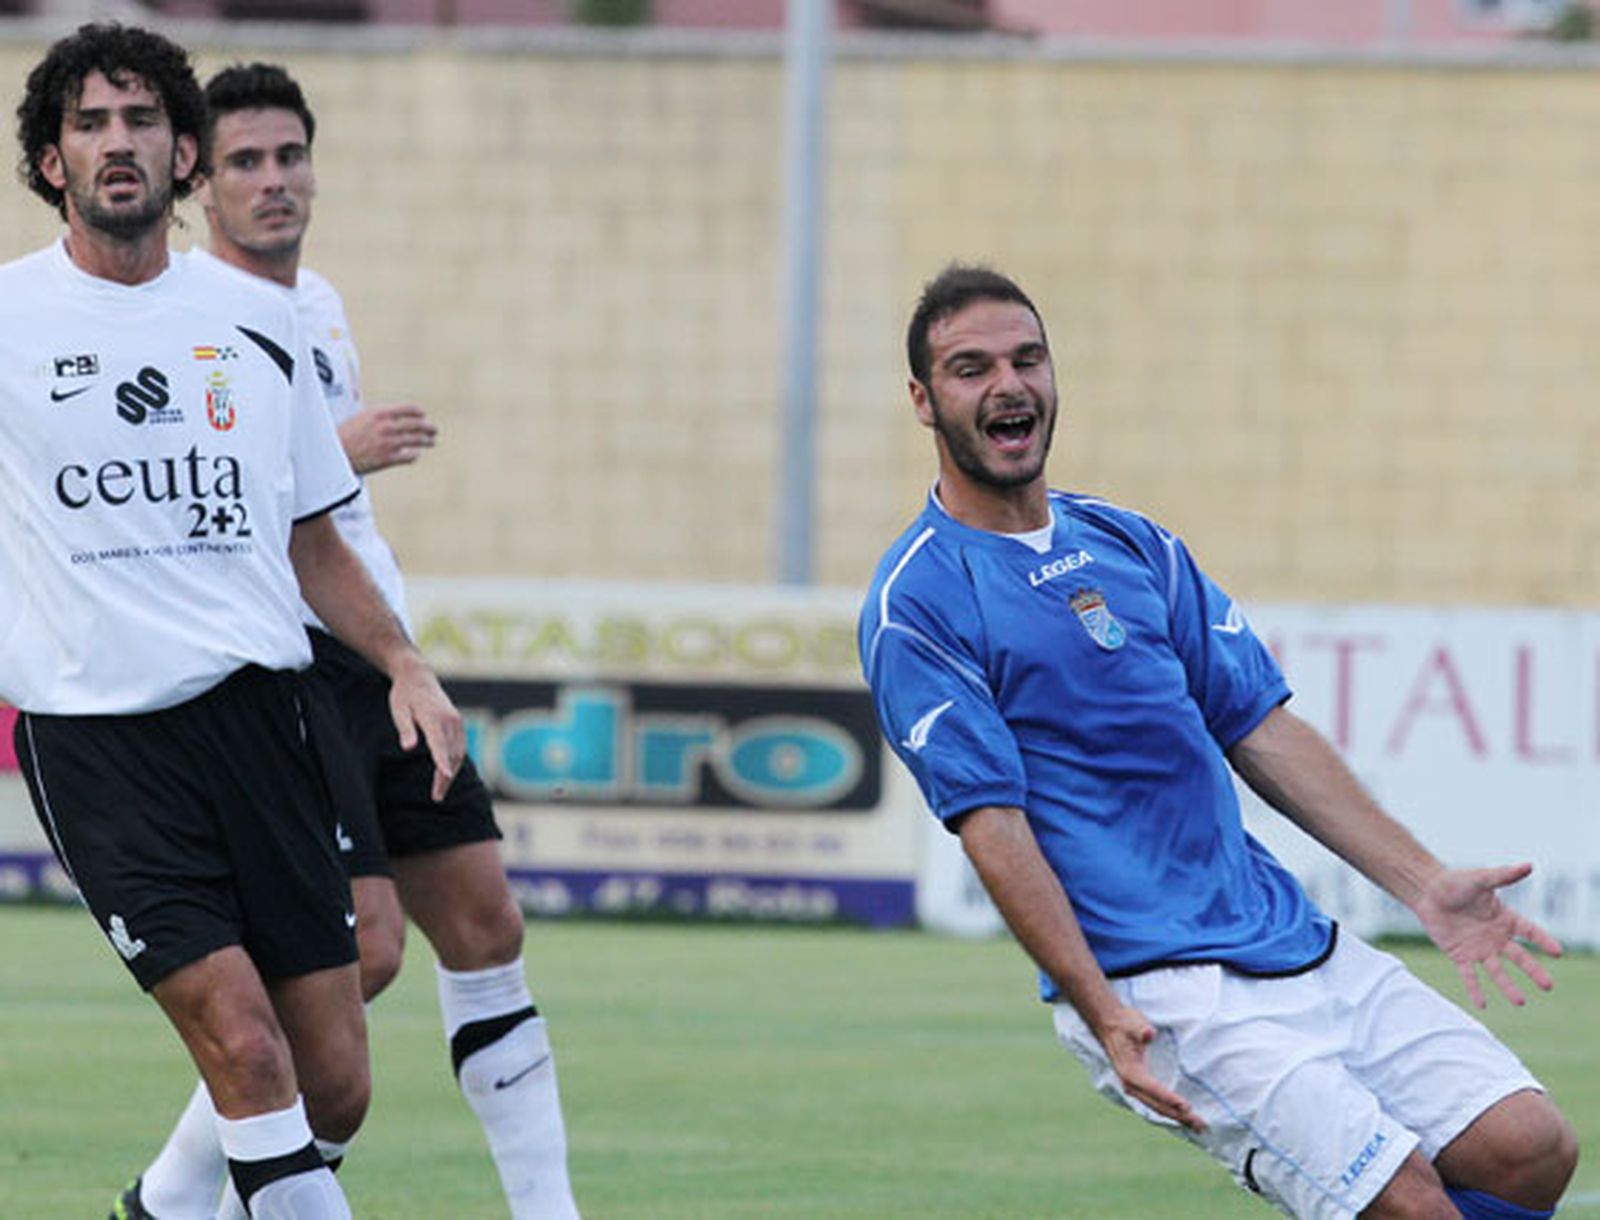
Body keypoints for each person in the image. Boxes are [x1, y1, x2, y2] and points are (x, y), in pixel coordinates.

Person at [858, 264, 1579, 1218]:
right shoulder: (918, 600)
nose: (1008, 384)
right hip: (1159, 985)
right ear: (923, 400)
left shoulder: (1133, 543)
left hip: (1286, 937)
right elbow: (993, 826)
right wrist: (1101, 1005)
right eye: (970, 367)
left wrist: (1424, 882)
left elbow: (1259, 725)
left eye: (1028, 358)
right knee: (1407, 1204)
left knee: (1531, 1149)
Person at [2, 23, 466, 1220]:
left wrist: (403, 662)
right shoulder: (7, 322)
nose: (118, 144)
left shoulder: (262, 323)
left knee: (334, 1082)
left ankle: (159, 1210)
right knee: (247, 1055)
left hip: (265, 723)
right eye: (91, 124)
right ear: (50, 160)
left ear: (184, 152)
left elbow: (316, 537)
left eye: (143, 120)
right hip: (102, 742)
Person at [110, 62, 580, 1220]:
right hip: (283, 668)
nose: (275, 183)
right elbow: (179, 510)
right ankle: (176, 1196)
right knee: (362, 954)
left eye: (290, 156)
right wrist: (332, 446)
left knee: (485, 921)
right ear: (195, 180)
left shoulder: (313, 303)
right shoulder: (185, 319)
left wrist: (401, 648)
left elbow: (335, 523)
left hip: (378, 653)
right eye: (245, 163)